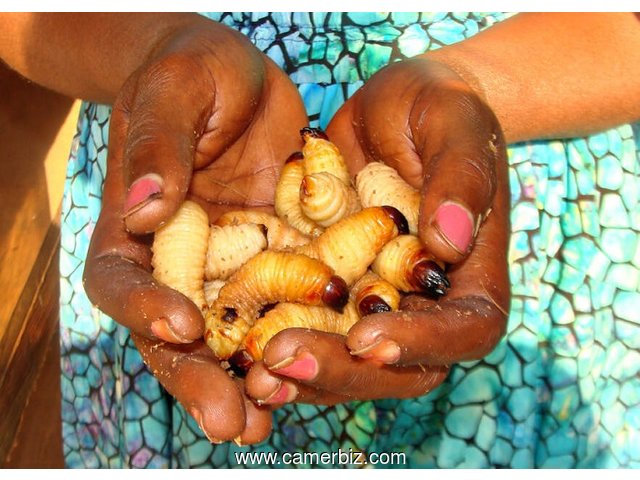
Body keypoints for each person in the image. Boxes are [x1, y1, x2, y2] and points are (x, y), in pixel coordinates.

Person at [1, 12, 639, 468]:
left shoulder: (321, 230)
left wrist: (468, 85)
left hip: (492, 163)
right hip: (177, 142)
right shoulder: (299, 240)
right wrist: (158, 47)